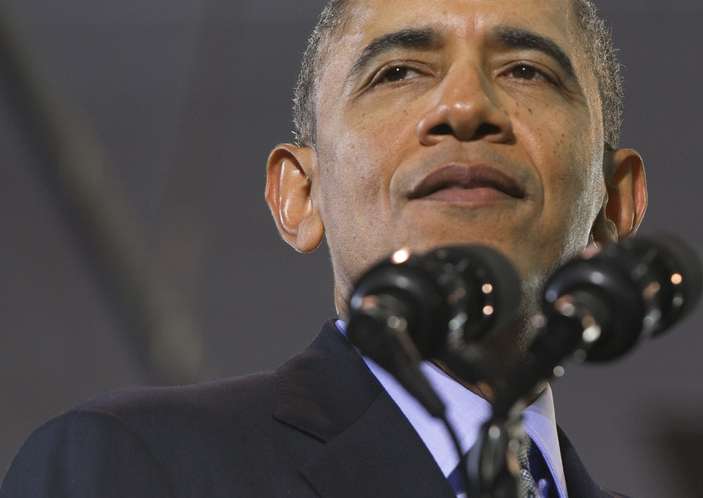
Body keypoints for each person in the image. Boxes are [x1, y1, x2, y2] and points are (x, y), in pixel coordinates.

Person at [1, 0, 647, 497]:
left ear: (615, 203)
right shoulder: (132, 469)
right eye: (397, 72)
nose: (465, 104)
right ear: (299, 196)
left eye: (526, 71)